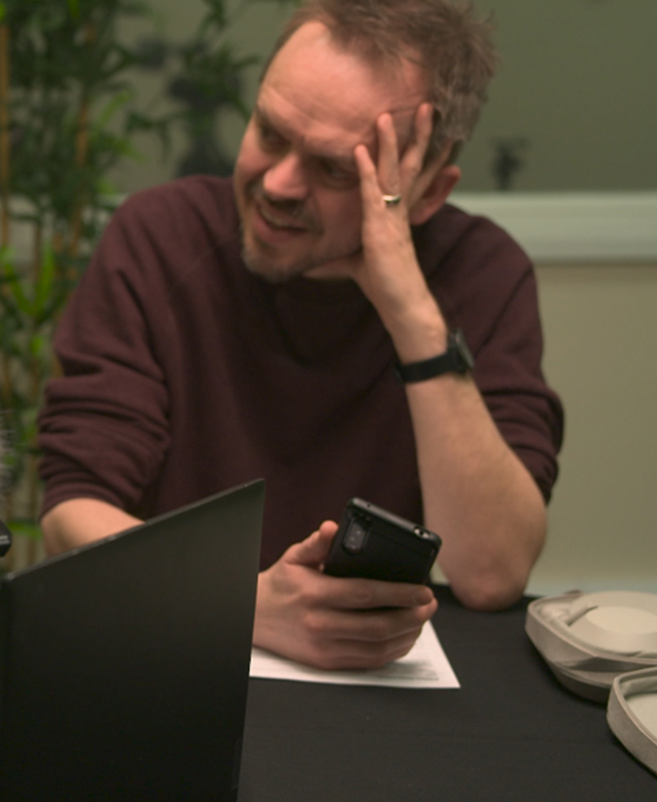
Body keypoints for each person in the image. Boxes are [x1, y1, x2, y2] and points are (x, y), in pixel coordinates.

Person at [37, 0, 563, 670]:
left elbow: (491, 574)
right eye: (269, 131)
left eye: (336, 168)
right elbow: (72, 512)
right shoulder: (159, 239)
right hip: (177, 652)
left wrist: (411, 313)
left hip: (380, 687)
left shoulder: (484, 272)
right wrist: (240, 600)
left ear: (428, 192)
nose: (278, 184)